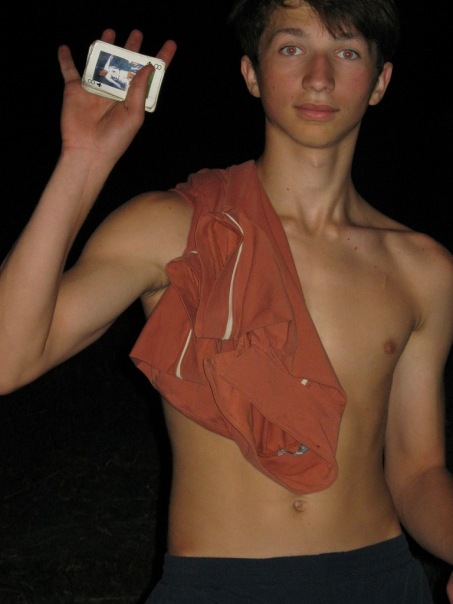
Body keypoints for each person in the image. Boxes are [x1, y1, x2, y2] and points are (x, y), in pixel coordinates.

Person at [1, 0, 452, 602]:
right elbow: (8, 358)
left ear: (379, 81)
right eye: (292, 48)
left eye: (347, 52)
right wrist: (83, 161)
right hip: (217, 584)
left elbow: (419, 473)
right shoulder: (175, 227)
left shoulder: (422, 268)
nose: (319, 78)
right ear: (251, 73)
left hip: (381, 580)